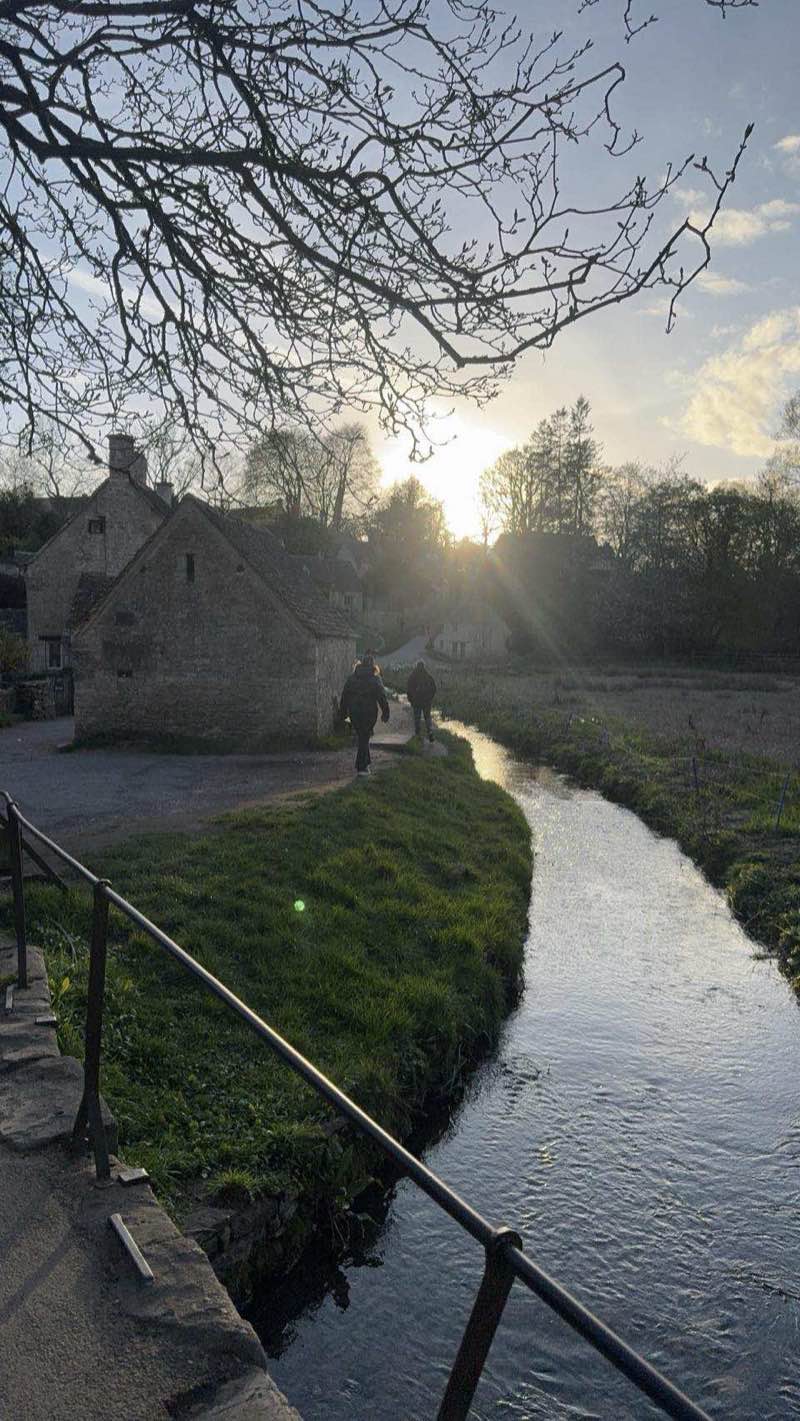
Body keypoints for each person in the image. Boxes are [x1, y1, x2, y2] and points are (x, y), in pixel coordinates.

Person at [339, 654, 390, 776]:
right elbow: (382, 697)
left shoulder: (352, 678)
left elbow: (345, 695)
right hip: (369, 712)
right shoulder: (375, 679)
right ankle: (361, 767)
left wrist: (343, 712)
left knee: (363, 736)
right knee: (364, 737)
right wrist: (385, 713)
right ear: (373, 665)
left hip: (354, 712)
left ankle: (365, 764)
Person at [407, 659, 437, 741]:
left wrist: (411, 700)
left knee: (417, 718)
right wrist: (430, 698)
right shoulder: (428, 676)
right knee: (427, 717)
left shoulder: (412, 676)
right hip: (427, 702)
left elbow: (409, 689)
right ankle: (430, 732)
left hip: (416, 702)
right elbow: (434, 688)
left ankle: (417, 734)